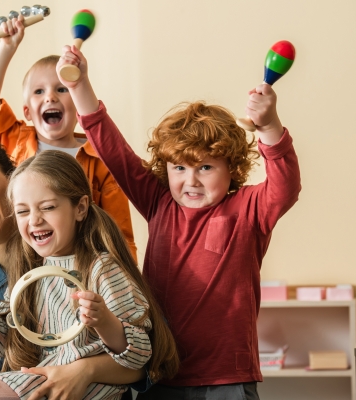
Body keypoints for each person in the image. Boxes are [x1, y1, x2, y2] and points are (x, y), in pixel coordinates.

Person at [57, 45, 302, 399]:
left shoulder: (248, 209)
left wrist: (269, 127)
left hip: (226, 378)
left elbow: (286, 187)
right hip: (161, 374)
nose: (191, 181)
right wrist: (79, 86)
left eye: (205, 167)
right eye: (179, 168)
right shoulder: (158, 202)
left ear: (230, 168)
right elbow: (113, 150)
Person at [0, 131, 157, 400]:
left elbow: (141, 359)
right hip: (36, 380)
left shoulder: (98, 268)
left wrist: (89, 363)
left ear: (9, 178)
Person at [0, 16, 138, 259]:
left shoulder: (99, 158)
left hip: (82, 265)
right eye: (39, 91)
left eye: (61, 89)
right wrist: (7, 47)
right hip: (26, 262)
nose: (50, 97)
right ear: (27, 112)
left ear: (77, 103)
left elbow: (120, 233)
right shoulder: (16, 140)